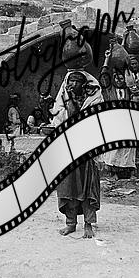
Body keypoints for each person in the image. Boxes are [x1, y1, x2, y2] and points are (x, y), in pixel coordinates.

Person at [51, 70, 103, 239]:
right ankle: (70, 223)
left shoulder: (93, 100)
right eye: (70, 81)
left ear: (84, 84)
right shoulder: (63, 101)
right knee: (68, 187)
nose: (72, 85)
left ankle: (88, 224)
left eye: (76, 81)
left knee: (88, 188)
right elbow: (59, 121)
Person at [100, 71, 137, 178]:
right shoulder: (109, 90)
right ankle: (113, 170)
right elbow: (103, 76)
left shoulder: (129, 91)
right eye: (117, 79)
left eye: (121, 79)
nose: (119, 81)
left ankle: (126, 169)